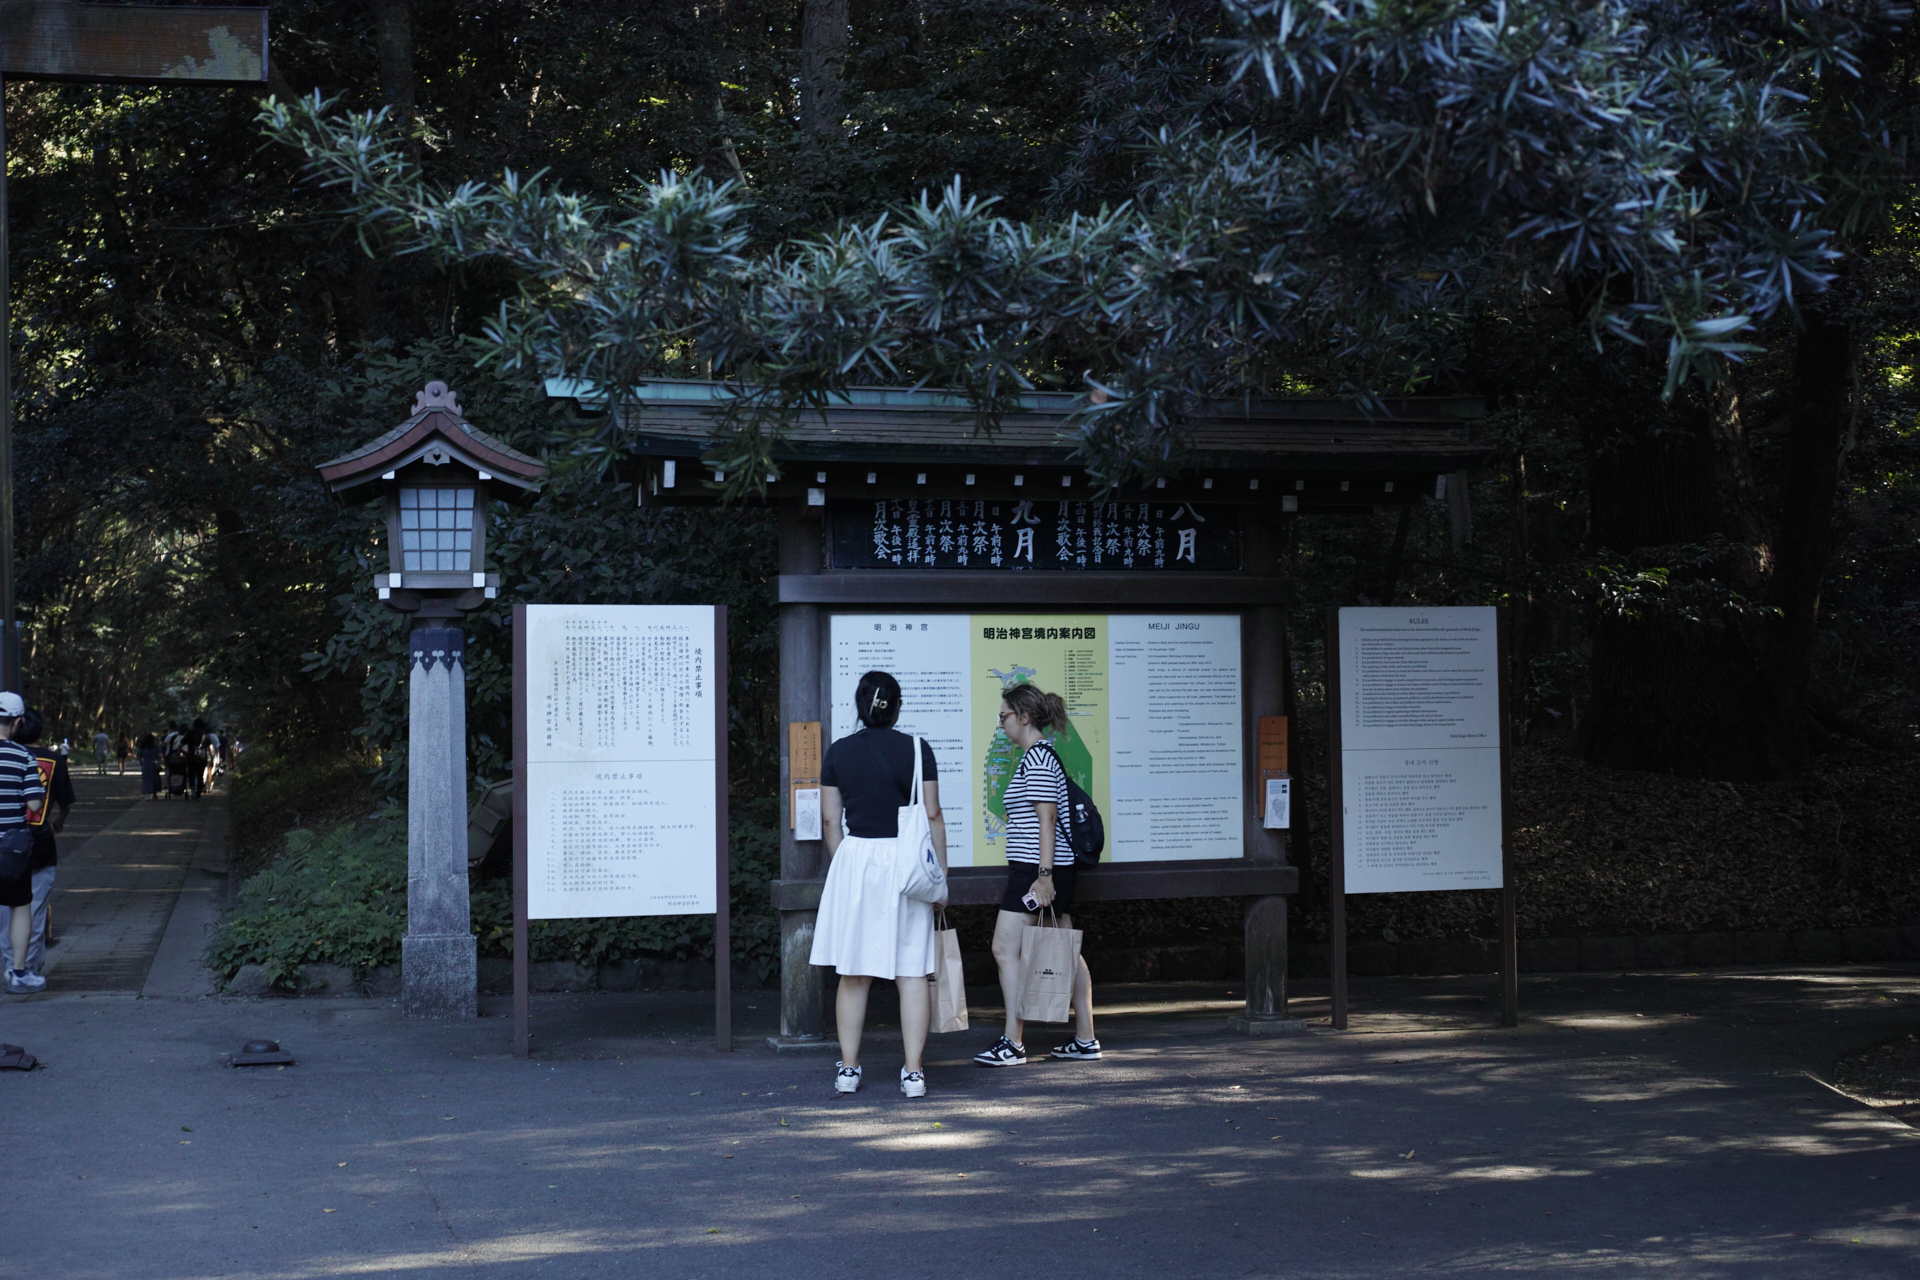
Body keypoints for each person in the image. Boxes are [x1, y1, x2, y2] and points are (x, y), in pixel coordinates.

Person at [809, 670, 946, 1099]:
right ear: (898, 706)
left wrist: (845, 863)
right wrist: (940, 877)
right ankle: (913, 1073)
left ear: (858, 705)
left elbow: (831, 821)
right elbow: (933, 815)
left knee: (854, 972)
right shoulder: (917, 750)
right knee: (911, 972)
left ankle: (848, 1070)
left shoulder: (838, 753)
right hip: (906, 865)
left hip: (858, 860)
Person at [974, 682, 1100, 1067]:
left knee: (1004, 949)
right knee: (1067, 951)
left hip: (1037, 869)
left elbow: (1048, 820)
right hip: (1047, 869)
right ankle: (1085, 1039)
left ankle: (1013, 1042)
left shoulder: (1040, 760)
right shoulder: (1037, 757)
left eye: (1004, 716)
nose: (1001, 724)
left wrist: (1043, 877)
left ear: (1023, 717)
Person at [0, 711, 72, 982]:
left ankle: (11, 966)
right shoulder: (50, 759)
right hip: (39, 843)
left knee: (6, 913)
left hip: (6, 846)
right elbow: (62, 802)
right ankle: (25, 968)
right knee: (34, 910)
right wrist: (59, 821)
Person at [0, 693, 48, 994]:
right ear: (18, 721)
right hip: (9, 849)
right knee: (20, 906)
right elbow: (33, 802)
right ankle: (18, 973)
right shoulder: (22, 756)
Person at [137, 732, 162, 801]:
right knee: (154, 779)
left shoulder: (142, 747)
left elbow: (139, 756)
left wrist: (141, 763)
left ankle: (147, 794)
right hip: (154, 764)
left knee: (146, 779)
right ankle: (154, 794)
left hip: (145, 764)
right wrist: (159, 761)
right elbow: (160, 755)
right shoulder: (155, 746)